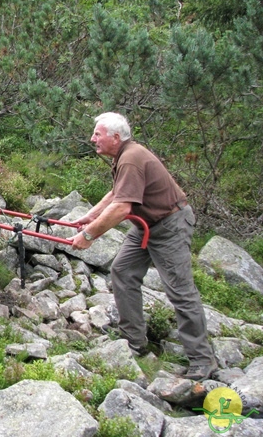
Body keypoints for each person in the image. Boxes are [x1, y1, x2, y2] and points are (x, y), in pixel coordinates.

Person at [71, 112, 217, 381]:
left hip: (170, 225)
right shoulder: (124, 155)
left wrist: (89, 235)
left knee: (180, 290)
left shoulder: (131, 158)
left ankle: (202, 360)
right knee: (123, 271)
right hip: (146, 225)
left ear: (116, 137)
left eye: (98, 134)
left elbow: (122, 208)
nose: (93, 138)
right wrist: (91, 215)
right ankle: (133, 340)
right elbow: (118, 193)